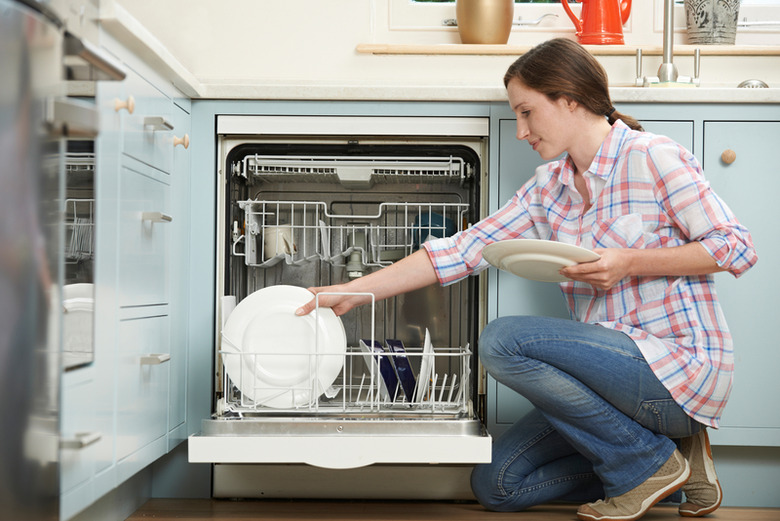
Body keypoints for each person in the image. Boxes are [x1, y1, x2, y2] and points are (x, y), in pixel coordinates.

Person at [296, 38, 757, 521]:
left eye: (527, 112)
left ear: (569, 99)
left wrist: (629, 261)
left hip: (677, 373)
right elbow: (461, 250)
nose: (520, 131)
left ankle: (645, 463)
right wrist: (353, 290)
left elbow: (736, 246)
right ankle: (670, 463)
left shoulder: (651, 157)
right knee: (496, 485)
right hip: (605, 383)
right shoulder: (548, 188)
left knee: (503, 341)